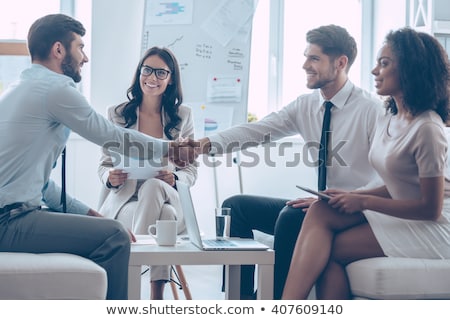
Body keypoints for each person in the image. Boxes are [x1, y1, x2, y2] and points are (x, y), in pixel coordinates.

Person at [0, 14, 194, 300]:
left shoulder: (20, 88)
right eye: (80, 47)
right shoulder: (55, 89)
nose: (85, 57)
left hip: (13, 215)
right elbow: (110, 136)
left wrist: (92, 214)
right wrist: (170, 148)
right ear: (58, 50)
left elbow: (40, 186)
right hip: (10, 222)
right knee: (115, 236)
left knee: (109, 227)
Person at [196, 24, 384, 299]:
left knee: (291, 216)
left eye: (314, 58)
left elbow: (387, 176)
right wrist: (205, 145)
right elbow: (257, 131)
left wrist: (334, 201)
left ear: (340, 62)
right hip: (319, 206)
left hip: (355, 212)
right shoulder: (305, 105)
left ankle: (274, 302)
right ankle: (241, 300)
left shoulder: (371, 110)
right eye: (306, 56)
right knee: (235, 207)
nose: (305, 65)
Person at [282, 27, 450, 300]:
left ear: (410, 70)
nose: (374, 71)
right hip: (403, 213)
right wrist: (353, 195)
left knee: (328, 250)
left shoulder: (427, 127)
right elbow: (399, 184)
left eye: (384, 64)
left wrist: (364, 202)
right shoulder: (391, 115)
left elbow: (431, 209)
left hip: (434, 228)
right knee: (321, 211)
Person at [98, 46, 197, 299]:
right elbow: (104, 163)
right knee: (166, 216)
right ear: (139, 73)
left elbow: (192, 169)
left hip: (166, 193)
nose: (152, 78)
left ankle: (130, 278)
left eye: (161, 73)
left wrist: (175, 178)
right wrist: (109, 178)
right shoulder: (117, 114)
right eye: (147, 70)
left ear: (171, 78)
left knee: (156, 188)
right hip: (127, 199)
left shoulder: (182, 116)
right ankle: (156, 299)